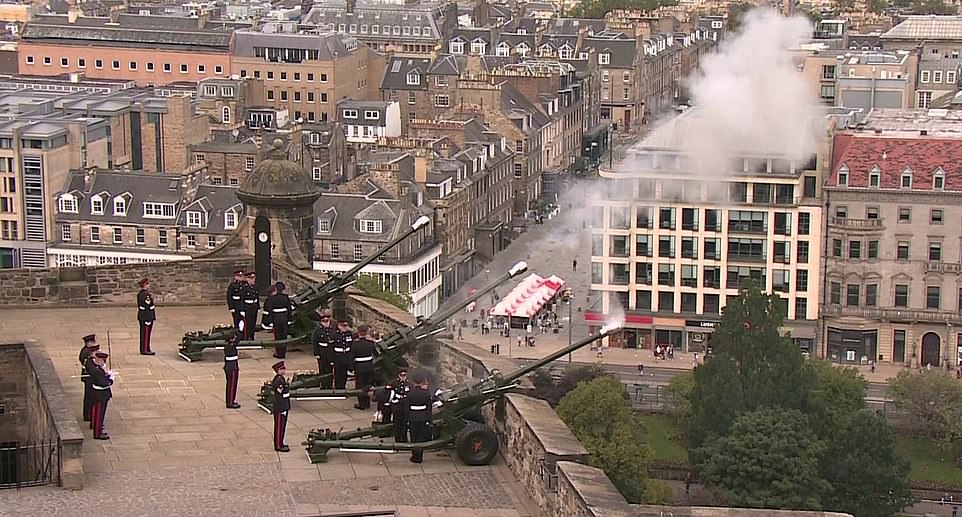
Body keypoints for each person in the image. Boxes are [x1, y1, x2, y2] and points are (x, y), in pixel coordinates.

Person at [406, 373, 434, 463]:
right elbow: (429, 408)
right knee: (420, 437)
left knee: (414, 437)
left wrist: (407, 419)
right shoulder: (426, 393)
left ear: (413, 382)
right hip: (423, 416)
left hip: (413, 417)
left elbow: (406, 408)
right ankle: (420, 457)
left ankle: (414, 456)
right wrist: (429, 420)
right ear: (422, 382)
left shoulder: (410, 393)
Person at [263, 282, 295, 359]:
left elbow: (270, 310)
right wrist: (289, 319)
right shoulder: (286, 297)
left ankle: (279, 353)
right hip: (284, 317)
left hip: (276, 318)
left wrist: (270, 321)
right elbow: (289, 309)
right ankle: (283, 353)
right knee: (284, 336)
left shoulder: (272, 298)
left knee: (278, 336)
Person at [351, 325, 379, 410]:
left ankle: (362, 404)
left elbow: (351, 357)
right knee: (368, 385)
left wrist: (351, 368)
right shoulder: (370, 343)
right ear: (366, 332)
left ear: (358, 333)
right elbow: (376, 354)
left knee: (360, 385)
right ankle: (367, 403)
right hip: (369, 366)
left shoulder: (355, 344)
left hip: (359, 367)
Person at [87, 351, 114, 440]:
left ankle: (95, 426)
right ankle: (98, 433)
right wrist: (110, 379)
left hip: (96, 393)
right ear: (99, 360)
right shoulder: (97, 371)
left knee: (96, 412)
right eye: (103, 361)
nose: (104, 363)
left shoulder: (94, 366)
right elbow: (104, 383)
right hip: (100, 394)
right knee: (99, 414)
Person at [79, 334, 99, 426]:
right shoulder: (86, 352)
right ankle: (87, 414)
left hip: (88, 376)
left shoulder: (86, 350)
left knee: (88, 396)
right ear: (89, 342)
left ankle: (87, 414)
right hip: (88, 377)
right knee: (89, 396)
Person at [311, 311, 335, 389]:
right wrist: (316, 353)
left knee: (330, 369)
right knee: (322, 369)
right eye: (324, 321)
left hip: (330, 352)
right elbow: (315, 342)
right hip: (322, 351)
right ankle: (323, 385)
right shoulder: (318, 330)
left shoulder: (332, 330)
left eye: (327, 321)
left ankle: (329, 385)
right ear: (321, 322)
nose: (326, 323)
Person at [270, 361, 291, 452]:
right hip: (280, 406)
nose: (284, 370)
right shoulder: (279, 380)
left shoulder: (281, 379)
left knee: (282, 426)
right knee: (279, 427)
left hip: (284, 405)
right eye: (282, 369)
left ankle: (281, 442)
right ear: (278, 370)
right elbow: (280, 392)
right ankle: (278, 445)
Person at [331, 319, 354, 390]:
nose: (345, 327)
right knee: (338, 374)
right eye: (343, 326)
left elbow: (351, 345)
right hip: (337, 356)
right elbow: (331, 347)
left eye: (346, 326)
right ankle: (338, 388)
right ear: (339, 326)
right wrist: (332, 359)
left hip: (346, 356)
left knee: (344, 374)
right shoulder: (334, 334)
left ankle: (343, 387)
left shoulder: (349, 334)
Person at [389, 369, 411, 442]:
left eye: (404, 375)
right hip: (397, 405)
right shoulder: (394, 383)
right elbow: (390, 392)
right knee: (397, 423)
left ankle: (404, 438)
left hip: (405, 404)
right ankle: (398, 438)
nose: (403, 377)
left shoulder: (409, 384)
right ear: (398, 376)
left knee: (404, 423)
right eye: (401, 375)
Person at [136, 277, 156, 355]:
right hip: (146, 316)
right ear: (145, 285)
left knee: (146, 334)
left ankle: (146, 348)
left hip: (145, 316)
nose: (149, 285)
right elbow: (147, 306)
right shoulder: (145, 295)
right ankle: (145, 349)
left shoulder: (143, 294)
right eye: (147, 284)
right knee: (145, 334)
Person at [224, 330, 241, 409]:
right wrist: (238, 332)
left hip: (229, 366)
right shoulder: (230, 346)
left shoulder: (228, 345)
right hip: (232, 367)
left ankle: (230, 401)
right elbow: (238, 340)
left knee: (230, 385)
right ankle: (230, 402)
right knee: (232, 385)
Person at [240, 272, 260, 341]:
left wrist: (258, 307)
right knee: (248, 323)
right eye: (251, 279)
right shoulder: (244, 288)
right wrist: (242, 310)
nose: (252, 280)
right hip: (247, 307)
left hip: (254, 307)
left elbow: (257, 298)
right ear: (247, 279)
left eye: (253, 278)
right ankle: (247, 337)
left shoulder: (256, 287)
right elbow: (242, 299)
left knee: (253, 323)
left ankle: (252, 336)